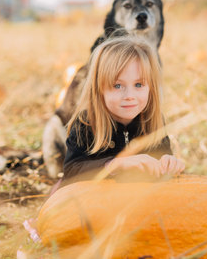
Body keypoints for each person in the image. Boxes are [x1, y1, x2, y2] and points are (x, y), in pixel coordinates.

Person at [62, 36, 185, 184]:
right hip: (98, 203)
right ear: (99, 89)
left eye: (139, 85)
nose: (129, 96)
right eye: (117, 86)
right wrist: (114, 165)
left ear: (151, 87)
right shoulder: (85, 123)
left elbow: (161, 165)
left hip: (141, 203)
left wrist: (168, 163)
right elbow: (71, 172)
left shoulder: (153, 121)